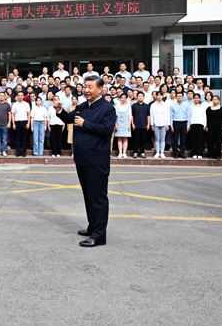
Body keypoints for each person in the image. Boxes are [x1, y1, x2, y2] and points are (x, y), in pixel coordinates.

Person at [53, 77, 116, 247]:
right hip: (82, 159)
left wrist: (85, 124)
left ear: (101, 89)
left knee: (98, 198)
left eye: (90, 87)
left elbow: (106, 130)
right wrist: (60, 111)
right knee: (88, 196)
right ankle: (93, 226)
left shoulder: (108, 108)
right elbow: (69, 118)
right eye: (85, 87)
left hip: (96, 160)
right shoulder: (82, 106)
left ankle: (99, 235)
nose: (86, 90)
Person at [205, 95, 222, 160]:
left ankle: (218, 155)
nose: (214, 101)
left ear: (219, 100)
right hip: (210, 126)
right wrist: (206, 126)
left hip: (219, 126)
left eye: (216, 99)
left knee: (218, 141)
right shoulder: (208, 109)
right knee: (210, 140)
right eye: (213, 99)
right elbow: (206, 118)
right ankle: (211, 154)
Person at [150, 90, 170, 158]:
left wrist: (168, 124)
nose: (159, 97)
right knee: (157, 139)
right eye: (157, 95)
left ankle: (162, 152)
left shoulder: (166, 105)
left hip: (164, 124)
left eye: (160, 95)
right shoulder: (153, 105)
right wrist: (152, 124)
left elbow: (168, 115)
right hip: (156, 124)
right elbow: (152, 115)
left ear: (162, 96)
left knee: (162, 139)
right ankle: (157, 152)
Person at [170, 92, 189, 159]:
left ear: (183, 97)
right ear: (176, 97)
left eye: (180, 96)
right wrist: (171, 126)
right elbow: (171, 116)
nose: (179, 97)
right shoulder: (172, 106)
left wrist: (188, 125)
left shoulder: (186, 105)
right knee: (175, 139)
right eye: (178, 96)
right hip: (175, 122)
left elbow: (188, 115)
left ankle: (182, 153)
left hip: (184, 123)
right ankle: (176, 153)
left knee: (183, 139)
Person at [131, 92, 150, 158]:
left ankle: (142, 152)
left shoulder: (146, 106)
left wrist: (148, 124)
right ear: (137, 97)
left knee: (143, 139)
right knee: (136, 139)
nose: (140, 97)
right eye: (139, 96)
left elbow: (148, 115)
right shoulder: (134, 106)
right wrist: (132, 124)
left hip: (144, 125)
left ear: (143, 97)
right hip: (136, 125)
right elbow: (132, 116)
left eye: (141, 96)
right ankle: (135, 152)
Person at [188, 93, 207, 159]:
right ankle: (194, 153)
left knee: (200, 139)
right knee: (193, 139)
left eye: (197, 98)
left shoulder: (203, 107)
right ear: (193, 99)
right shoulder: (191, 107)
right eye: (195, 98)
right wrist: (189, 125)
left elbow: (204, 116)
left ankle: (200, 153)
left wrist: (205, 125)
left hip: (201, 124)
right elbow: (189, 116)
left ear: (200, 99)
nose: (196, 99)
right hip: (193, 124)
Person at [11, 92, 30, 157]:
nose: (20, 96)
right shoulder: (15, 104)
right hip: (17, 122)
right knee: (18, 138)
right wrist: (13, 123)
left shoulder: (26, 104)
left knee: (24, 138)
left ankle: (24, 152)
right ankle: (18, 151)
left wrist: (28, 123)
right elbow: (12, 114)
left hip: (24, 121)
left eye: (21, 95)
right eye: (19, 95)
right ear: (17, 96)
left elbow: (29, 114)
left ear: (23, 96)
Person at [115, 94, 132, 158]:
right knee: (119, 139)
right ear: (120, 98)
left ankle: (124, 153)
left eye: (124, 98)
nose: (123, 99)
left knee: (125, 139)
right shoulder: (117, 106)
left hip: (126, 123)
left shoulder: (128, 106)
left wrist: (129, 125)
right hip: (119, 123)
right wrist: (115, 125)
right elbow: (115, 116)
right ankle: (120, 153)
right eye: (122, 98)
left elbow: (130, 116)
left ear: (126, 99)